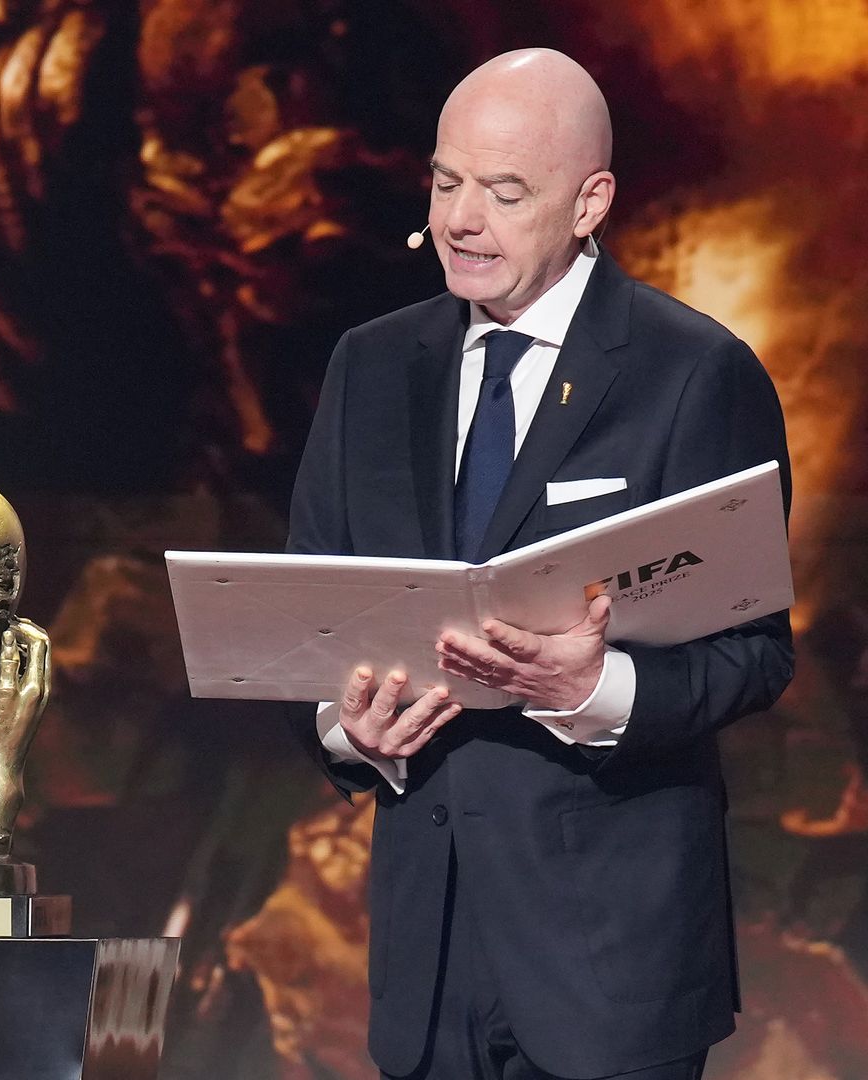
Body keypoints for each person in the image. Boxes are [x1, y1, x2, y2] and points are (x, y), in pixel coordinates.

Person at [286, 49, 793, 1080]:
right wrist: (348, 731)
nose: (462, 221)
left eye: (505, 192)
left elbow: (755, 654)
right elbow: (305, 623)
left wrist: (597, 688)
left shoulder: (694, 375)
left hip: (612, 965)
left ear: (589, 202)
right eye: (445, 182)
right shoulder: (371, 368)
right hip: (425, 965)